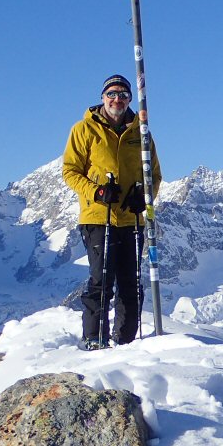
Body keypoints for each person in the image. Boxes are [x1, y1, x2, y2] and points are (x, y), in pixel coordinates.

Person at [62, 74, 161, 349]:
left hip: (131, 216)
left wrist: (144, 197)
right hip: (97, 216)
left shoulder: (141, 133)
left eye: (123, 95)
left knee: (131, 281)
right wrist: (96, 191)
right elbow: (70, 171)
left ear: (130, 99)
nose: (117, 99)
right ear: (102, 97)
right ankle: (95, 338)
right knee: (101, 278)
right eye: (112, 94)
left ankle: (127, 341)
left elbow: (154, 173)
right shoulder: (84, 130)